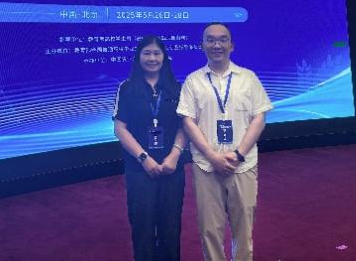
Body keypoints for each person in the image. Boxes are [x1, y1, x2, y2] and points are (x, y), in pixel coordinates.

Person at [177, 23, 272, 261]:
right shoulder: (193, 81)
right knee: (210, 229)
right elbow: (188, 121)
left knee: (244, 228)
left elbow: (259, 118)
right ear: (202, 45)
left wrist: (238, 155)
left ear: (232, 45)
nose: (216, 45)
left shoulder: (248, 78)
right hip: (206, 166)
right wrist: (212, 156)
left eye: (222, 39)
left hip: (243, 165)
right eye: (210, 40)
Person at [113, 35, 188, 261]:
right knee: (142, 226)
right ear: (138, 57)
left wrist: (174, 155)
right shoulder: (126, 88)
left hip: (171, 168)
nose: (152, 58)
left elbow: (184, 126)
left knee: (171, 226)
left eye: (157, 53)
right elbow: (120, 128)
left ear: (164, 57)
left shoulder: (177, 88)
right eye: (147, 53)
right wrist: (144, 158)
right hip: (139, 169)